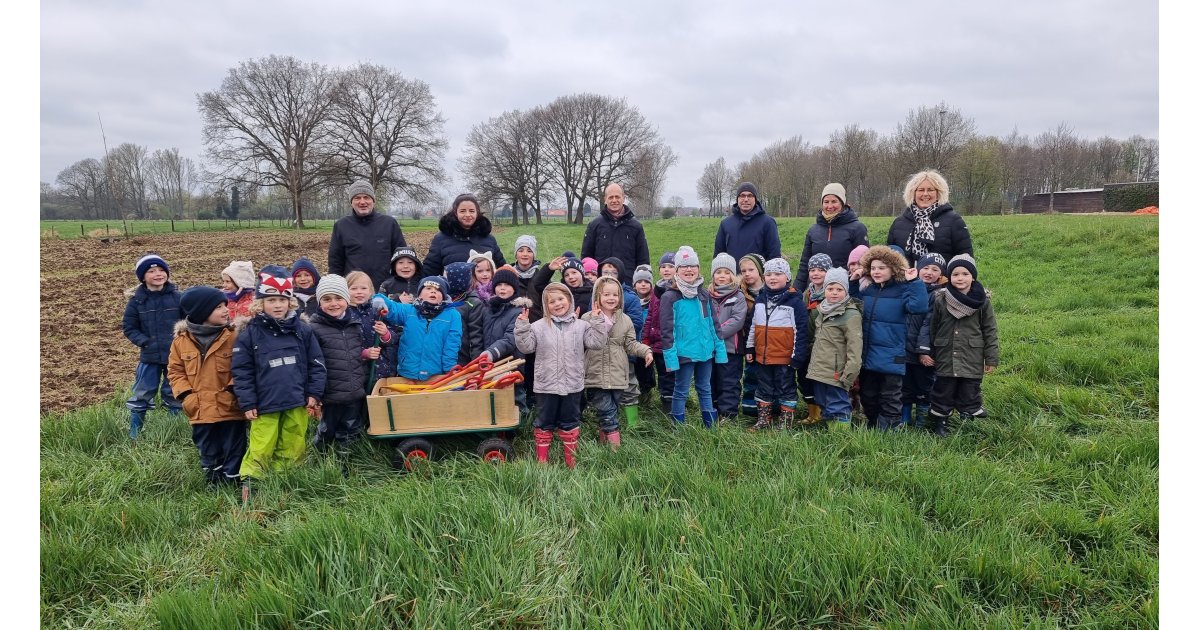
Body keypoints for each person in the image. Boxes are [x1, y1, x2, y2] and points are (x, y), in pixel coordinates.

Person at [232, 269, 326, 482]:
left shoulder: (303, 330)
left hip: (297, 400)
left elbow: (316, 363)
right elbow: (242, 372)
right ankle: (252, 480)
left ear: (290, 302)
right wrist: (247, 402)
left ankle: (284, 478)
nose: (277, 305)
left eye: (282, 300)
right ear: (260, 303)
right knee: (262, 443)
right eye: (271, 300)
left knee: (293, 442)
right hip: (265, 403)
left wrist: (314, 393)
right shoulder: (249, 334)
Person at [515, 282, 608, 468]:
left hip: (572, 384)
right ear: (545, 306)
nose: (557, 304)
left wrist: (597, 321)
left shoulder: (582, 325)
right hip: (546, 385)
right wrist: (522, 327)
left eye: (561, 299)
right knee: (544, 422)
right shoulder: (538, 326)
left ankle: (571, 461)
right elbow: (526, 347)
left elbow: (597, 343)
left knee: (570, 421)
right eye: (552, 302)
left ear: (569, 300)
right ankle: (542, 462)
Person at [167, 286, 246, 486]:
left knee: (234, 446)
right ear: (201, 313)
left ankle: (232, 481)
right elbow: (175, 371)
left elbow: (244, 366)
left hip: (229, 407)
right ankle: (213, 479)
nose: (226, 310)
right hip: (199, 408)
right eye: (218, 307)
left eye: (225, 305)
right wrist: (186, 396)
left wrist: (232, 390)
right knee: (207, 447)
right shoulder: (181, 342)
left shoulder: (234, 337)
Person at [849, 245, 929, 432]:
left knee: (890, 395)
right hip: (869, 353)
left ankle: (890, 428)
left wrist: (915, 282)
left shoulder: (903, 290)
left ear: (893, 269)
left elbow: (919, 307)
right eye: (874, 268)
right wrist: (853, 283)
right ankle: (874, 424)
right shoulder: (868, 290)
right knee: (868, 394)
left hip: (892, 354)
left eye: (882, 268)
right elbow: (854, 305)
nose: (876, 272)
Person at [925, 254, 999, 436]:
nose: (960, 278)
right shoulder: (940, 299)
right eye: (955, 274)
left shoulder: (982, 302)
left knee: (970, 387)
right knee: (944, 388)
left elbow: (990, 329)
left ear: (972, 276)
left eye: (965, 273)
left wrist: (991, 358)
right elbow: (933, 327)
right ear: (949, 277)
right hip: (946, 352)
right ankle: (941, 421)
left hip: (971, 353)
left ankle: (968, 416)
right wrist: (930, 350)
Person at [659, 245, 727, 428]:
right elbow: (667, 331)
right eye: (684, 266)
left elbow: (714, 323)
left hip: (705, 352)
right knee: (681, 390)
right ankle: (678, 427)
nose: (689, 270)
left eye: (693, 266)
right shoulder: (670, 297)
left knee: (705, 388)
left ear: (698, 268)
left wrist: (719, 349)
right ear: (676, 270)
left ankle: (710, 426)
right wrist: (671, 359)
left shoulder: (703, 295)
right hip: (684, 354)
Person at [583, 277, 653, 450]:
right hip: (596, 373)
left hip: (617, 373)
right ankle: (616, 451)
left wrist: (645, 351)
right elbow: (582, 343)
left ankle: (603, 441)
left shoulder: (625, 320)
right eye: (606, 294)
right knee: (606, 410)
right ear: (597, 296)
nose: (611, 298)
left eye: (615, 294)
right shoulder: (587, 318)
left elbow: (630, 344)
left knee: (610, 408)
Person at [306, 274, 371, 451]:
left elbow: (358, 353)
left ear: (347, 300)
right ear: (319, 302)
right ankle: (321, 456)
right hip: (331, 393)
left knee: (351, 429)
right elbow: (312, 362)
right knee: (327, 429)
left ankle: (346, 459)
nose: (333, 303)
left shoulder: (354, 324)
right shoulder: (314, 328)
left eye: (338, 298)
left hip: (354, 390)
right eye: (327, 299)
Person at [122, 254, 184, 439]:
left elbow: (189, 321)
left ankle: (174, 430)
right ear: (142, 277)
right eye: (151, 271)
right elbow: (129, 327)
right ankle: (135, 432)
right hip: (149, 357)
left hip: (176, 356)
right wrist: (145, 342)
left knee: (174, 392)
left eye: (161, 270)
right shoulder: (136, 302)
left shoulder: (178, 298)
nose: (158, 274)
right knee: (143, 391)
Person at [745, 258, 808, 431]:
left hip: (784, 357)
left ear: (787, 277)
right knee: (763, 386)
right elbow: (753, 326)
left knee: (786, 388)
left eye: (778, 274)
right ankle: (764, 419)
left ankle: (785, 421)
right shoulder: (760, 300)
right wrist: (750, 347)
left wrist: (797, 356)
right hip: (763, 356)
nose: (773, 278)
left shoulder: (795, 302)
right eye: (769, 274)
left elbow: (801, 332)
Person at [374, 276, 463, 382]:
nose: (433, 292)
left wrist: (449, 371)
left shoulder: (453, 315)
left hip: (435, 373)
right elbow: (393, 307)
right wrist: (379, 299)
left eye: (438, 290)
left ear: (444, 296)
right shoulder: (410, 310)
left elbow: (452, 344)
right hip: (408, 371)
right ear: (419, 294)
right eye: (428, 289)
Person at [805, 268, 862, 431]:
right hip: (820, 368)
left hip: (838, 370)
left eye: (839, 289)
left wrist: (849, 373)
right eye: (830, 289)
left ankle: (842, 436)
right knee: (823, 401)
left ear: (846, 291)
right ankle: (832, 429)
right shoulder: (822, 310)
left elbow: (854, 347)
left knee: (838, 404)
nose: (834, 293)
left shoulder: (850, 315)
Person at [328, 180, 407, 290]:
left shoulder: (389, 224)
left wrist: (400, 285)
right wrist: (335, 288)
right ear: (351, 202)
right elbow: (335, 263)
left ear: (373, 201)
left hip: (386, 289)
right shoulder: (341, 226)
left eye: (366, 197)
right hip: (354, 291)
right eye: (357, 198)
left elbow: (402, 257)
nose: (362, 202)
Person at [597, 257, 648, 427]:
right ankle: (610, 421)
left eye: (613, 272)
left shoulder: (629, 297)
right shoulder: (596, 296)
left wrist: (613, 325)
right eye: (605, 272)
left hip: (624, 352)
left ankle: (632, 423)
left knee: (629, 384)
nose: (609, 275)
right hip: (601, 353)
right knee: (605, 387)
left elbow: (637, 321)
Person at [887, 169, 973, 267]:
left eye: (930, 190)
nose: (925, 194)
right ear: (913, 193)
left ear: (938, 193)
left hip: (943, 281)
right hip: (905, 281)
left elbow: (966, 260)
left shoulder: (954, 221)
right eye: (921, 190)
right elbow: (888, 260)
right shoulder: (898, 223)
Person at [478, 267, 533, 414]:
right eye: (499, 285)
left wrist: (491, 352)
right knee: (496, 395)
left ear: (514, 289)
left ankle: (521, 419)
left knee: (515, 392)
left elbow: (510, 338)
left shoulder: (518, 311)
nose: (503, 288)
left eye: (507, 285)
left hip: (511, 362)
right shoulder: (488, 310)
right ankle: (501, 419)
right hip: (491, 362)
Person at [902, 253, 948, 430]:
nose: (929, 272)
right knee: (904, 385)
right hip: (904, 349)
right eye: (926, 268)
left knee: (925, 385)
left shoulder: (939, 295)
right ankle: (904, 418)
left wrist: (924, 350)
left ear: (941, 274)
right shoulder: (908, 288)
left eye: (935, 269)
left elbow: (930, 324)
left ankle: (922, 419)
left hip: (924, 352)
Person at [581, 183, 650, 286]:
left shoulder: (636, 227)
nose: (614, 200)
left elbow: (643, 259)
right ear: (605, 199)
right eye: (611, 197)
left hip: (628, 284)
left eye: (617, 197)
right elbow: (586, 258)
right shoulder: (594, 225)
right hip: (601, 283)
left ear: (623, 198)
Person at [797, 183, 869, 281]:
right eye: (826, 202)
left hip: (844, 288)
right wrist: (795, 290)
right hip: (816, 287)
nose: (829, 206)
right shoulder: (813, 230)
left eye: (834, 201)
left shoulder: (857, 228)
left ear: (842, 203)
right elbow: (805, 263)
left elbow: (864, 263)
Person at [423, 193, 505, 278]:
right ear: (455, 213)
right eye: (462, 211)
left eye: (471, 211)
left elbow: (502, 270)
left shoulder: (489, 239)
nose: (468, 215)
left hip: (484, 291)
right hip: (451, 291)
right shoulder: (441, 239)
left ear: (477, 213)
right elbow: (429, 271)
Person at [709, 253, 747, 424]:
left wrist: (715, 333)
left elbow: (737, 321)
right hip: (710, 349)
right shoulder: (706, 296)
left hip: (731, 348)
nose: (722, 276)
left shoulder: (738, 296)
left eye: (726, 272)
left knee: (729, 381)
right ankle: (712, 410)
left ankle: (728, 414)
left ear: (732, 275)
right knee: (711, 380)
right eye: (718, 272)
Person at [797, 253, 834, 425]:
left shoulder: (831, 293)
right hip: (806, 343)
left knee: (821, 380)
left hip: (823, 345)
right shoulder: (807, 294)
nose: (816, 273)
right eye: (812, 270)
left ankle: (825, 412)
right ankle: (812, 413)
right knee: (805, 378)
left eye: (821, 270)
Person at [346, 271, 398, 381]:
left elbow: (394, 337)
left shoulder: (377, 311)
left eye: (363, 288)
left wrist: (385, 334)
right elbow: (345, 344)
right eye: (354, 289)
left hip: (381, 368)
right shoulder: (345, 314)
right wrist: (364, 353)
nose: (359, 292)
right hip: (357, 371)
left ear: (370, 291)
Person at [713, 182, 781, 261]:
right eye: (742, 196)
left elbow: (774, 255)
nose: (746, 199)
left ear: (755, 199)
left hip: (759, 273)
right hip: (733, 273)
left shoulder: (768, 222)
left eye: (750, 196)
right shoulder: (726, 224)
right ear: (737, 199)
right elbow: (719, 256)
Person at [738, 253, 766, 417]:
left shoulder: (770, 289)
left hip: (769, 341)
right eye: (743, 271)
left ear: (761, 271)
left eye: (751, 269)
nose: (747, 273)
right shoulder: (741, 293)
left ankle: (772, 407)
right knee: (751, 374)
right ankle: (751, 408)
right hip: (749, 342)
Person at [445, 261, 486, 365]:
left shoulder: (473, 303)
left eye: (445, 277)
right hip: (443, 357)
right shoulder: (443, 300)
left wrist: (475, 363)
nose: (442, 280)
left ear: (455, 281)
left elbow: (476, 336)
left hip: (462, 359)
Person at [631, 265, 657, 402]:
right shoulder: (630, 301)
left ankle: (647, 391)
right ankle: (635, 392)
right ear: (634, 285)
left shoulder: (653, 301)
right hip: (634, 342)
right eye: (639, 282)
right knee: (635, 367)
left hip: (648, 341)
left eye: (646, 282)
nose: (643, 284)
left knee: (646, 368)